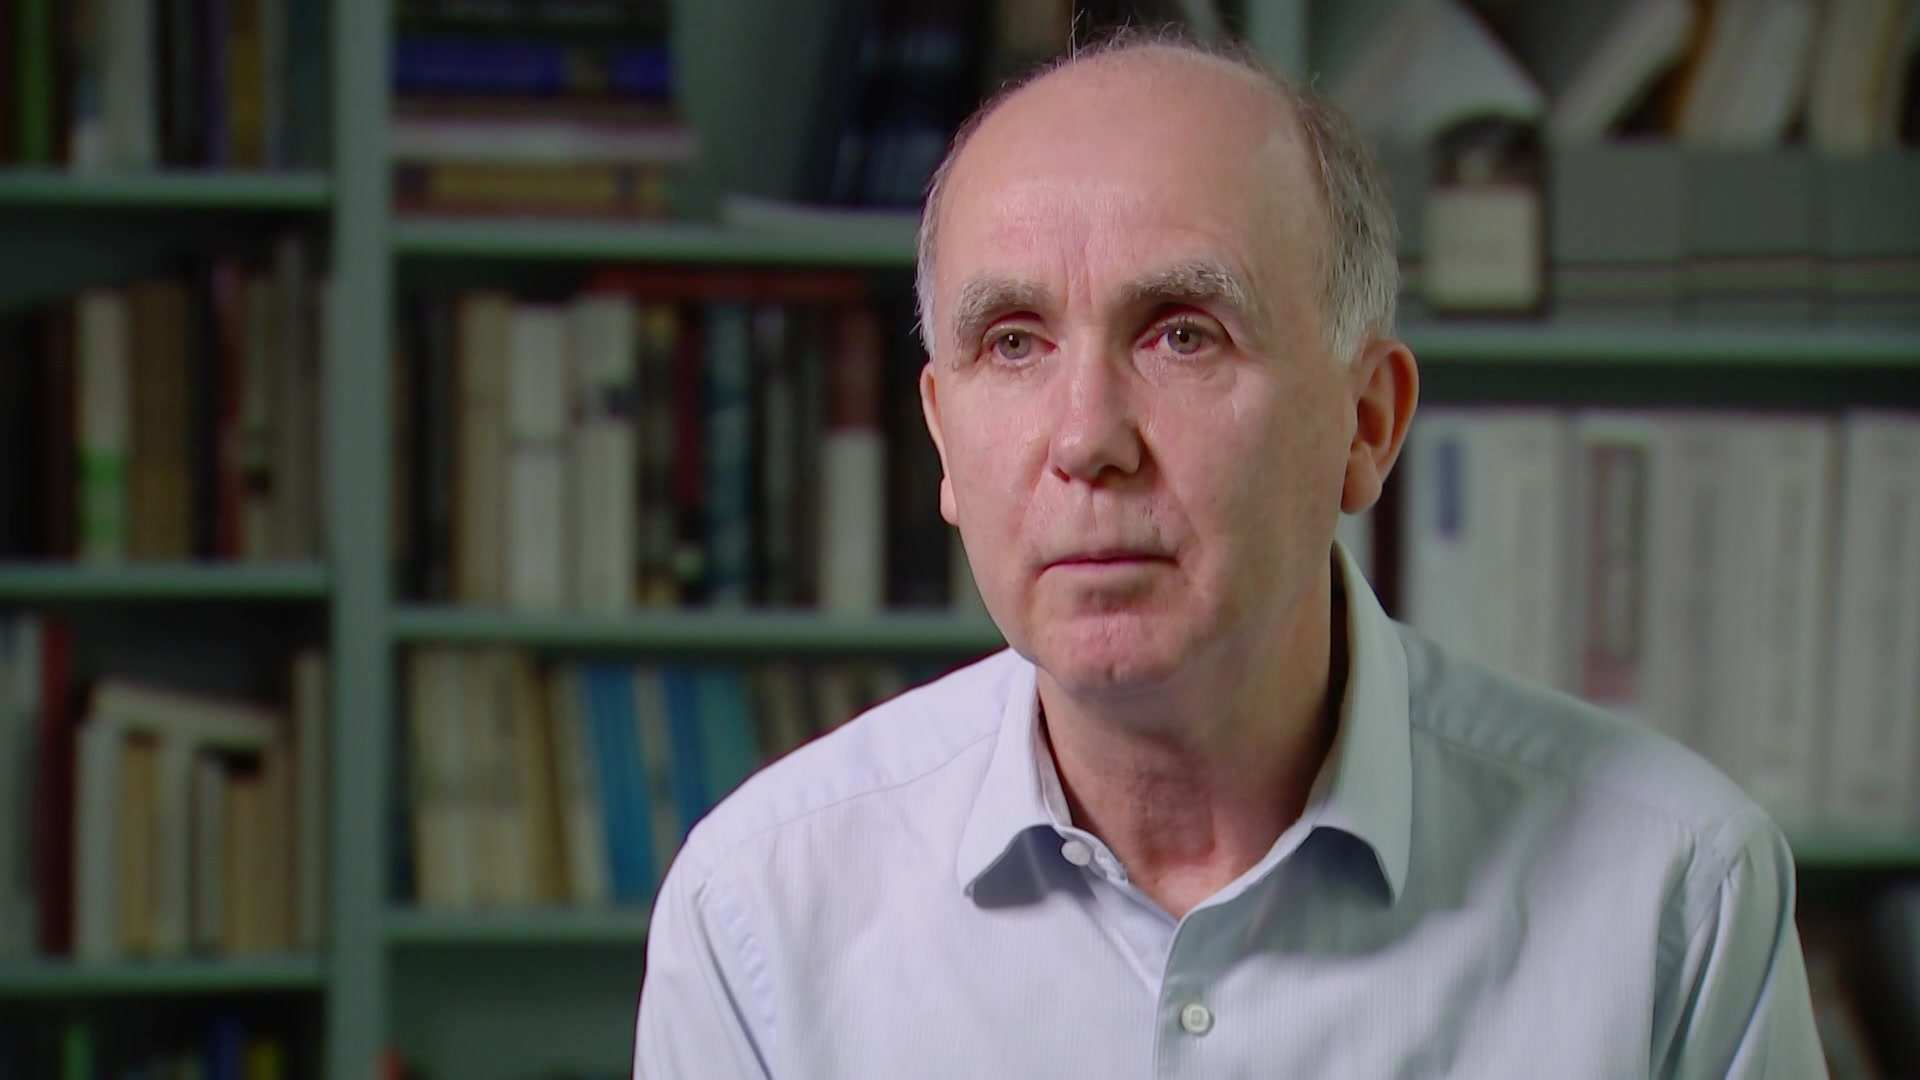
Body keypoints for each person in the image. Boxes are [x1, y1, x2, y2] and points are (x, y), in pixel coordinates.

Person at [634, 31, 1823, 1078]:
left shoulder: (1677, 895)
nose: (1088, 438)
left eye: (1183, 333)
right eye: (1012, 342)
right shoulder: (759, 912)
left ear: (1366, 425)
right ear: (941, 438)